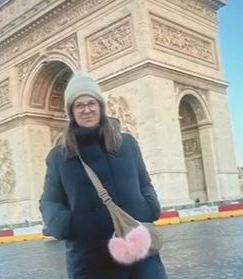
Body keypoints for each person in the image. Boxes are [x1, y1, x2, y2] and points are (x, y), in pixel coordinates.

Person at [39, 73, 168, 279]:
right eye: (79, 105)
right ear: (71, 112)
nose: (87, 110)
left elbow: (145, 182)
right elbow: (50, 200)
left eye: (92, 103)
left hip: (138, 249)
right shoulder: (59, 156)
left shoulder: (127, 144)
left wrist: (149, 207)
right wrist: (66, 225)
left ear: (101, 106)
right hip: (90, 259)